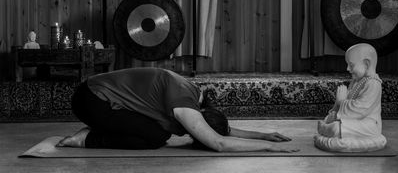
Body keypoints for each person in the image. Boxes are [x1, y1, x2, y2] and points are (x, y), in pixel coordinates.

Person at [57, 68, 298, 153]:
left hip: (99, 99)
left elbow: (219, 130)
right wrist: (268, 148)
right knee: (154, 137)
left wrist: (263, 135)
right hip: (91, 100)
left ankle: (100, 126)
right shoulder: (183, 100)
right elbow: (219, 143)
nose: (192, 133)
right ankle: (87, 138)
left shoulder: (193, 95)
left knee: (159, 133)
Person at [314, 43, 387, 152]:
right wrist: (337, 106)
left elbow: (361, 110)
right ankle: (329, 128)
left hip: (369, 125)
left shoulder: (373, 84)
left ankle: (328, 130)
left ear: (366, 64)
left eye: (351, 65)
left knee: (336, 129)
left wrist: (342, 102)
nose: (348, 68)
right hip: (353, 121)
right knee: (332, 122)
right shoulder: (356, 81)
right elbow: (344, 105)